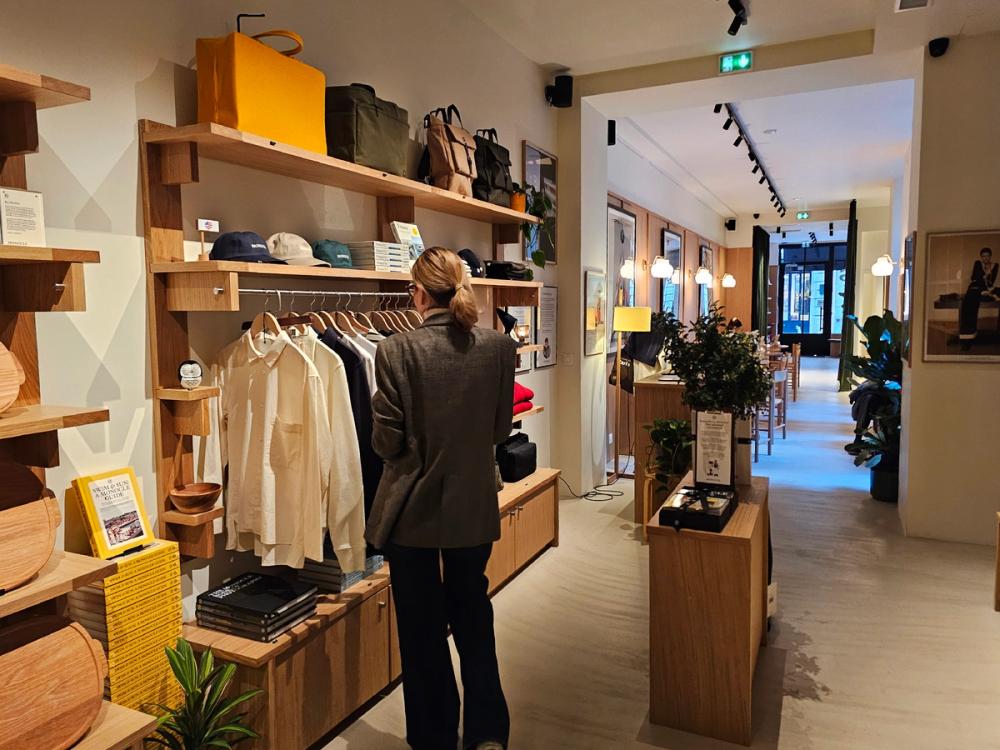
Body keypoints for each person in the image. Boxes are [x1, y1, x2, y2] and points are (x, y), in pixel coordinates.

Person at [367, 246, 516, 750]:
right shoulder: (498, 347)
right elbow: (499, 430)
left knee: (421, 630)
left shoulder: (395, 350)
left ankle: (434, 737)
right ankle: (487, 732)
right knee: (473, 613)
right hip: (472, 506)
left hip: (411, 512)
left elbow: (387, 443)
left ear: (419, 294)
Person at [958, 247, 998, 349]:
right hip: (975, 289)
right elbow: (974, 278)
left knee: (995, 291)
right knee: (969, 307)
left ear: (990, 256)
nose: (985, 258)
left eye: (987, 256)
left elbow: (992, 281)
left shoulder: (995, 265)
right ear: (981, 257)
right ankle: (967, 340)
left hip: (987, 290)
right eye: (983, 256)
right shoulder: (978, 264)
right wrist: (985, 276)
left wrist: (987, 286)